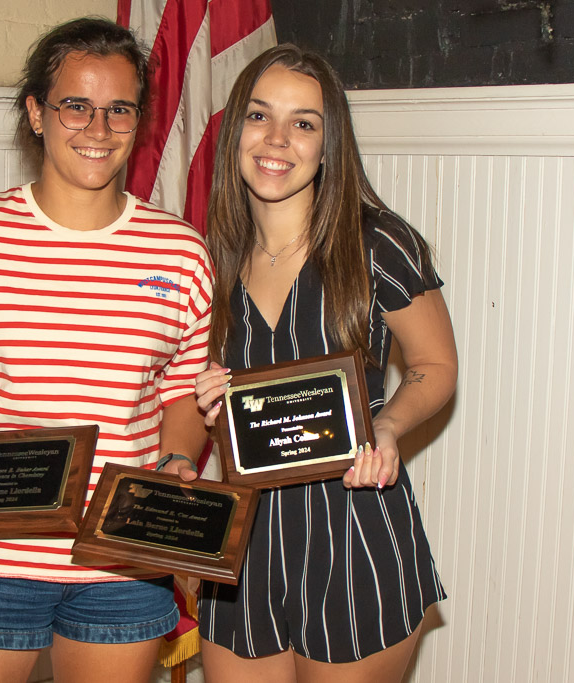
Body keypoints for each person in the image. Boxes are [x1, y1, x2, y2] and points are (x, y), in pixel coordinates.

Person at [0, 17, 212, 683]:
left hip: (121, 558)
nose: (98, 128)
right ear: (36, 113)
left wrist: (178, 456)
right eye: (75, 106)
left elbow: (182, 388)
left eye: (120, 109)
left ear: (140, 120)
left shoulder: (179, 251)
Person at [193, 45, 458, 682]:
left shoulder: (379, 243)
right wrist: (211, 406)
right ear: (235, 130)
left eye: (303, 123)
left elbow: (435, 366)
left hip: (354, 526)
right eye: (259, 116)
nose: (277, 139)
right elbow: (229, 418)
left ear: (328, 142)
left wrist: (388, 428)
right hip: (246, 547)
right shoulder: (210, 256)